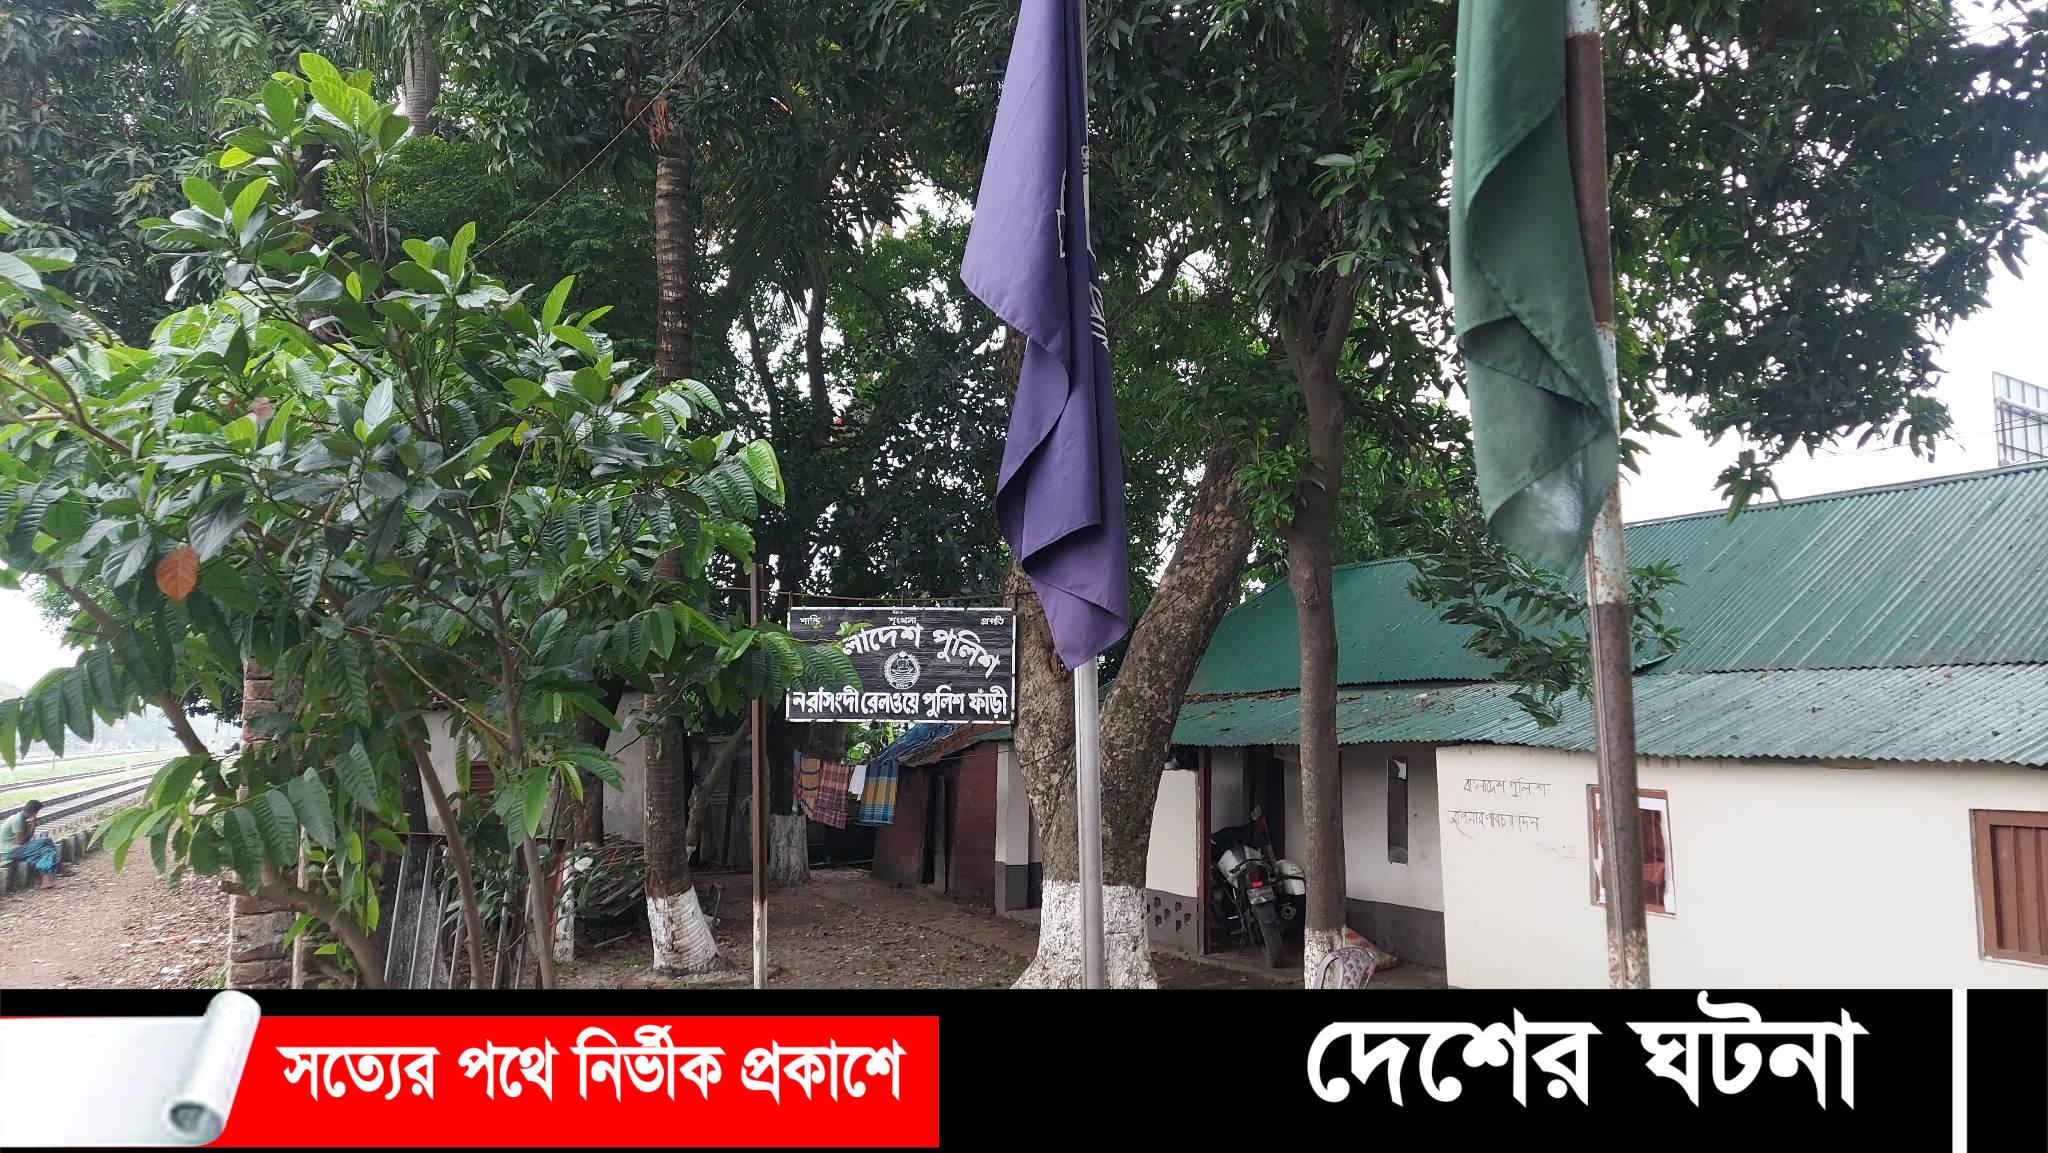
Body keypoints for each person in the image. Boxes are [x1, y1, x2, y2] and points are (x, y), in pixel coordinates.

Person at [0, 799, 66, 887]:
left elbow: (26, 840)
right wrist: (32, 827)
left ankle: (47, 879)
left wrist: (32, 826)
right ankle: (58, 870)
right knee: (47, 842)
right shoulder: (17, 820)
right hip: (10, 851)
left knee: (47, 850)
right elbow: (20, 842)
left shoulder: (21, 818)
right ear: (35, 812)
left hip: (14, 849)